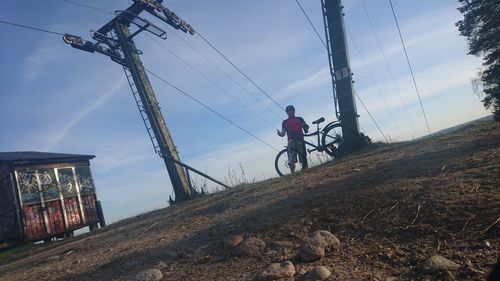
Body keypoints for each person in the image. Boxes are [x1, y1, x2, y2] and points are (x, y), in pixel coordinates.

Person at [277, 105, 309, 173]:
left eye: (291, 110)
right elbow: (283, 134)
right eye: (288, 111)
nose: (290, 112)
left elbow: (305, 126)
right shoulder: (284, 122)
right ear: (287, 113)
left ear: (294, 111)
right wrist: (279, 133)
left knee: (303, 158)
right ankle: (293, 173)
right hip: (291, 141)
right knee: (291, 160)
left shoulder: (300, 119)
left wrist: (306, 127)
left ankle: (305, 171)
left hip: (300, 139)